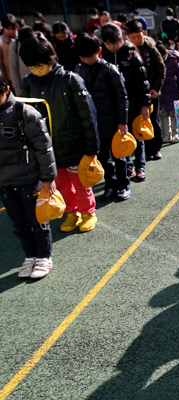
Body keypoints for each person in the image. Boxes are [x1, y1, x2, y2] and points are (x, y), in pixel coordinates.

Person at [20, 33, 100, 233]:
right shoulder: (29, 83)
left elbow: (88, 116)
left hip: (74, 143)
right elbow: (25, 118)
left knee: (81, 183)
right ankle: (71, 212)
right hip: (48, 148)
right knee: (60, 185)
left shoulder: (70, 79)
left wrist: (91, 149)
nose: (36, 71)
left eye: (40, 65)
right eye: (31, 67)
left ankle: (89, 212)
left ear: (51, 59)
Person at [0, 70, 57, 278]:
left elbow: (44, 147)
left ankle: (44, 256)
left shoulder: (24, 112)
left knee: (37, 220)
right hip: (5, 182)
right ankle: (30, 255)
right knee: (18, 223)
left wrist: (48, 178)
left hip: (29, 179)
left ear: (6, 90)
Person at [74, 33, 130, 202]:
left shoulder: (109, 69)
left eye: (90, 56)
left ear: (99, 51)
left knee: (119, 157)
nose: (87, 60)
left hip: (112, 123)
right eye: (83, 57)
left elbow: (122, 97)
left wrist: (122, 122)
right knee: (102, 158)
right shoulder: (78, 70)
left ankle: (123, 185)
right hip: (93, 125)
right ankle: (110, 185)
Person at [101, 22, 152, 182]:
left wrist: (145, 105)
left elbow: (143, 82)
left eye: (114, 42)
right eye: (107, 43)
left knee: (138, 134)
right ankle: (128, 164)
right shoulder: (104, 56)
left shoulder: (130, 54)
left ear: (121, 38)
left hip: (134, 102)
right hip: (115, 106)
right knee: (122, 135)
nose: (111, 46)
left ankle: (140, 166)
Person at [124, 19, 166, 160]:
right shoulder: (125, 51)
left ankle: (155, 149)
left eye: (139, 36)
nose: (136, 40)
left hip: (151, 93)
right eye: (133, 37)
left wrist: (155, 88)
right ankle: (139, 154)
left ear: (144, 33)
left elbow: (161, 69)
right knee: (135, 123)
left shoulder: (150, 48)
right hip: (134, 94)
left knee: (153, 121)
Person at [157, 42, 179, 144]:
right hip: (162, 93)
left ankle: (175, 134)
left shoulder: (173, 61)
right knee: (164, 114)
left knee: (174, 114)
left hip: (173, 91)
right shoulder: (156, 61)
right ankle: (166, 134)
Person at [9, 26, 33, 96]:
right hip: (24, 86)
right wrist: (17, 90)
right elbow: (13, 67)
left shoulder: (40, 41)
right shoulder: (15, 45)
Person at [0, 14, 18, 85]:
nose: (11, 31)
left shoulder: (21, 38)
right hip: (9, 77)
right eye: (8, 29)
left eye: (13, 28)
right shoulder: (1, 41)